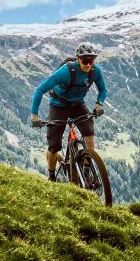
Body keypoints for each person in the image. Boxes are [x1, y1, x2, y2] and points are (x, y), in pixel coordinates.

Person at [30, 43, 107, 181]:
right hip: (59, 106)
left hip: (78, 104)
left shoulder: (95, 71)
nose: (88, 65)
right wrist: (34, 115)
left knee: (89, 136)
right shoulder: (66, 71)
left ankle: (86, 171)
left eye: (91, 61)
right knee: (54, 146)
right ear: (78, 59)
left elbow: (103, 90)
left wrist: (99, 104)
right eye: (85, 61)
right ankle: (52, 176)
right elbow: (39, 90)